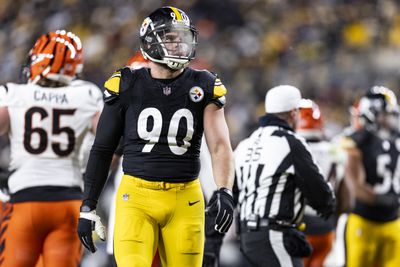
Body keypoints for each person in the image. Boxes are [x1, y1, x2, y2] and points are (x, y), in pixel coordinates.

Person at [77, 6, 235, 267]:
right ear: (150, 40)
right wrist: (88, 205)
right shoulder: (126, 83)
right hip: (136, 196)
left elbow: (219, 146)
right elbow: (103, 149)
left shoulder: (203, 84)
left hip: (186, 197)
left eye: (181, 37)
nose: (178, 44)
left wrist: (224, 190)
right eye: (170, 37)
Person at [0, 30, 103, 267]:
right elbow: (111, 144)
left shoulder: (13, 94)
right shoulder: (87, 94)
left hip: (25, 201)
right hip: (68, 201)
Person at [234, 85, 336, 267]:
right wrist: (326, 207)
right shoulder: (291, 142)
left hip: (245, 238)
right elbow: (321, 194)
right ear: (294, 113)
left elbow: (233, 192)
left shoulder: (245, 144)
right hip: (274, 235)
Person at [343, 86, 400, 267]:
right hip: (364, 222)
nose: (389, 121)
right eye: (385, 115)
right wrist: (380, 199)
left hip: (393, 222)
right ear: (372, 114)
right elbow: (356, 186)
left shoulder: (396, 140)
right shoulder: (356, 141)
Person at [296, 99, 348, 267]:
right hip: (326, 227)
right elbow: (343, 195)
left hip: (299, 226)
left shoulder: (290, 148)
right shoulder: (335, 149)